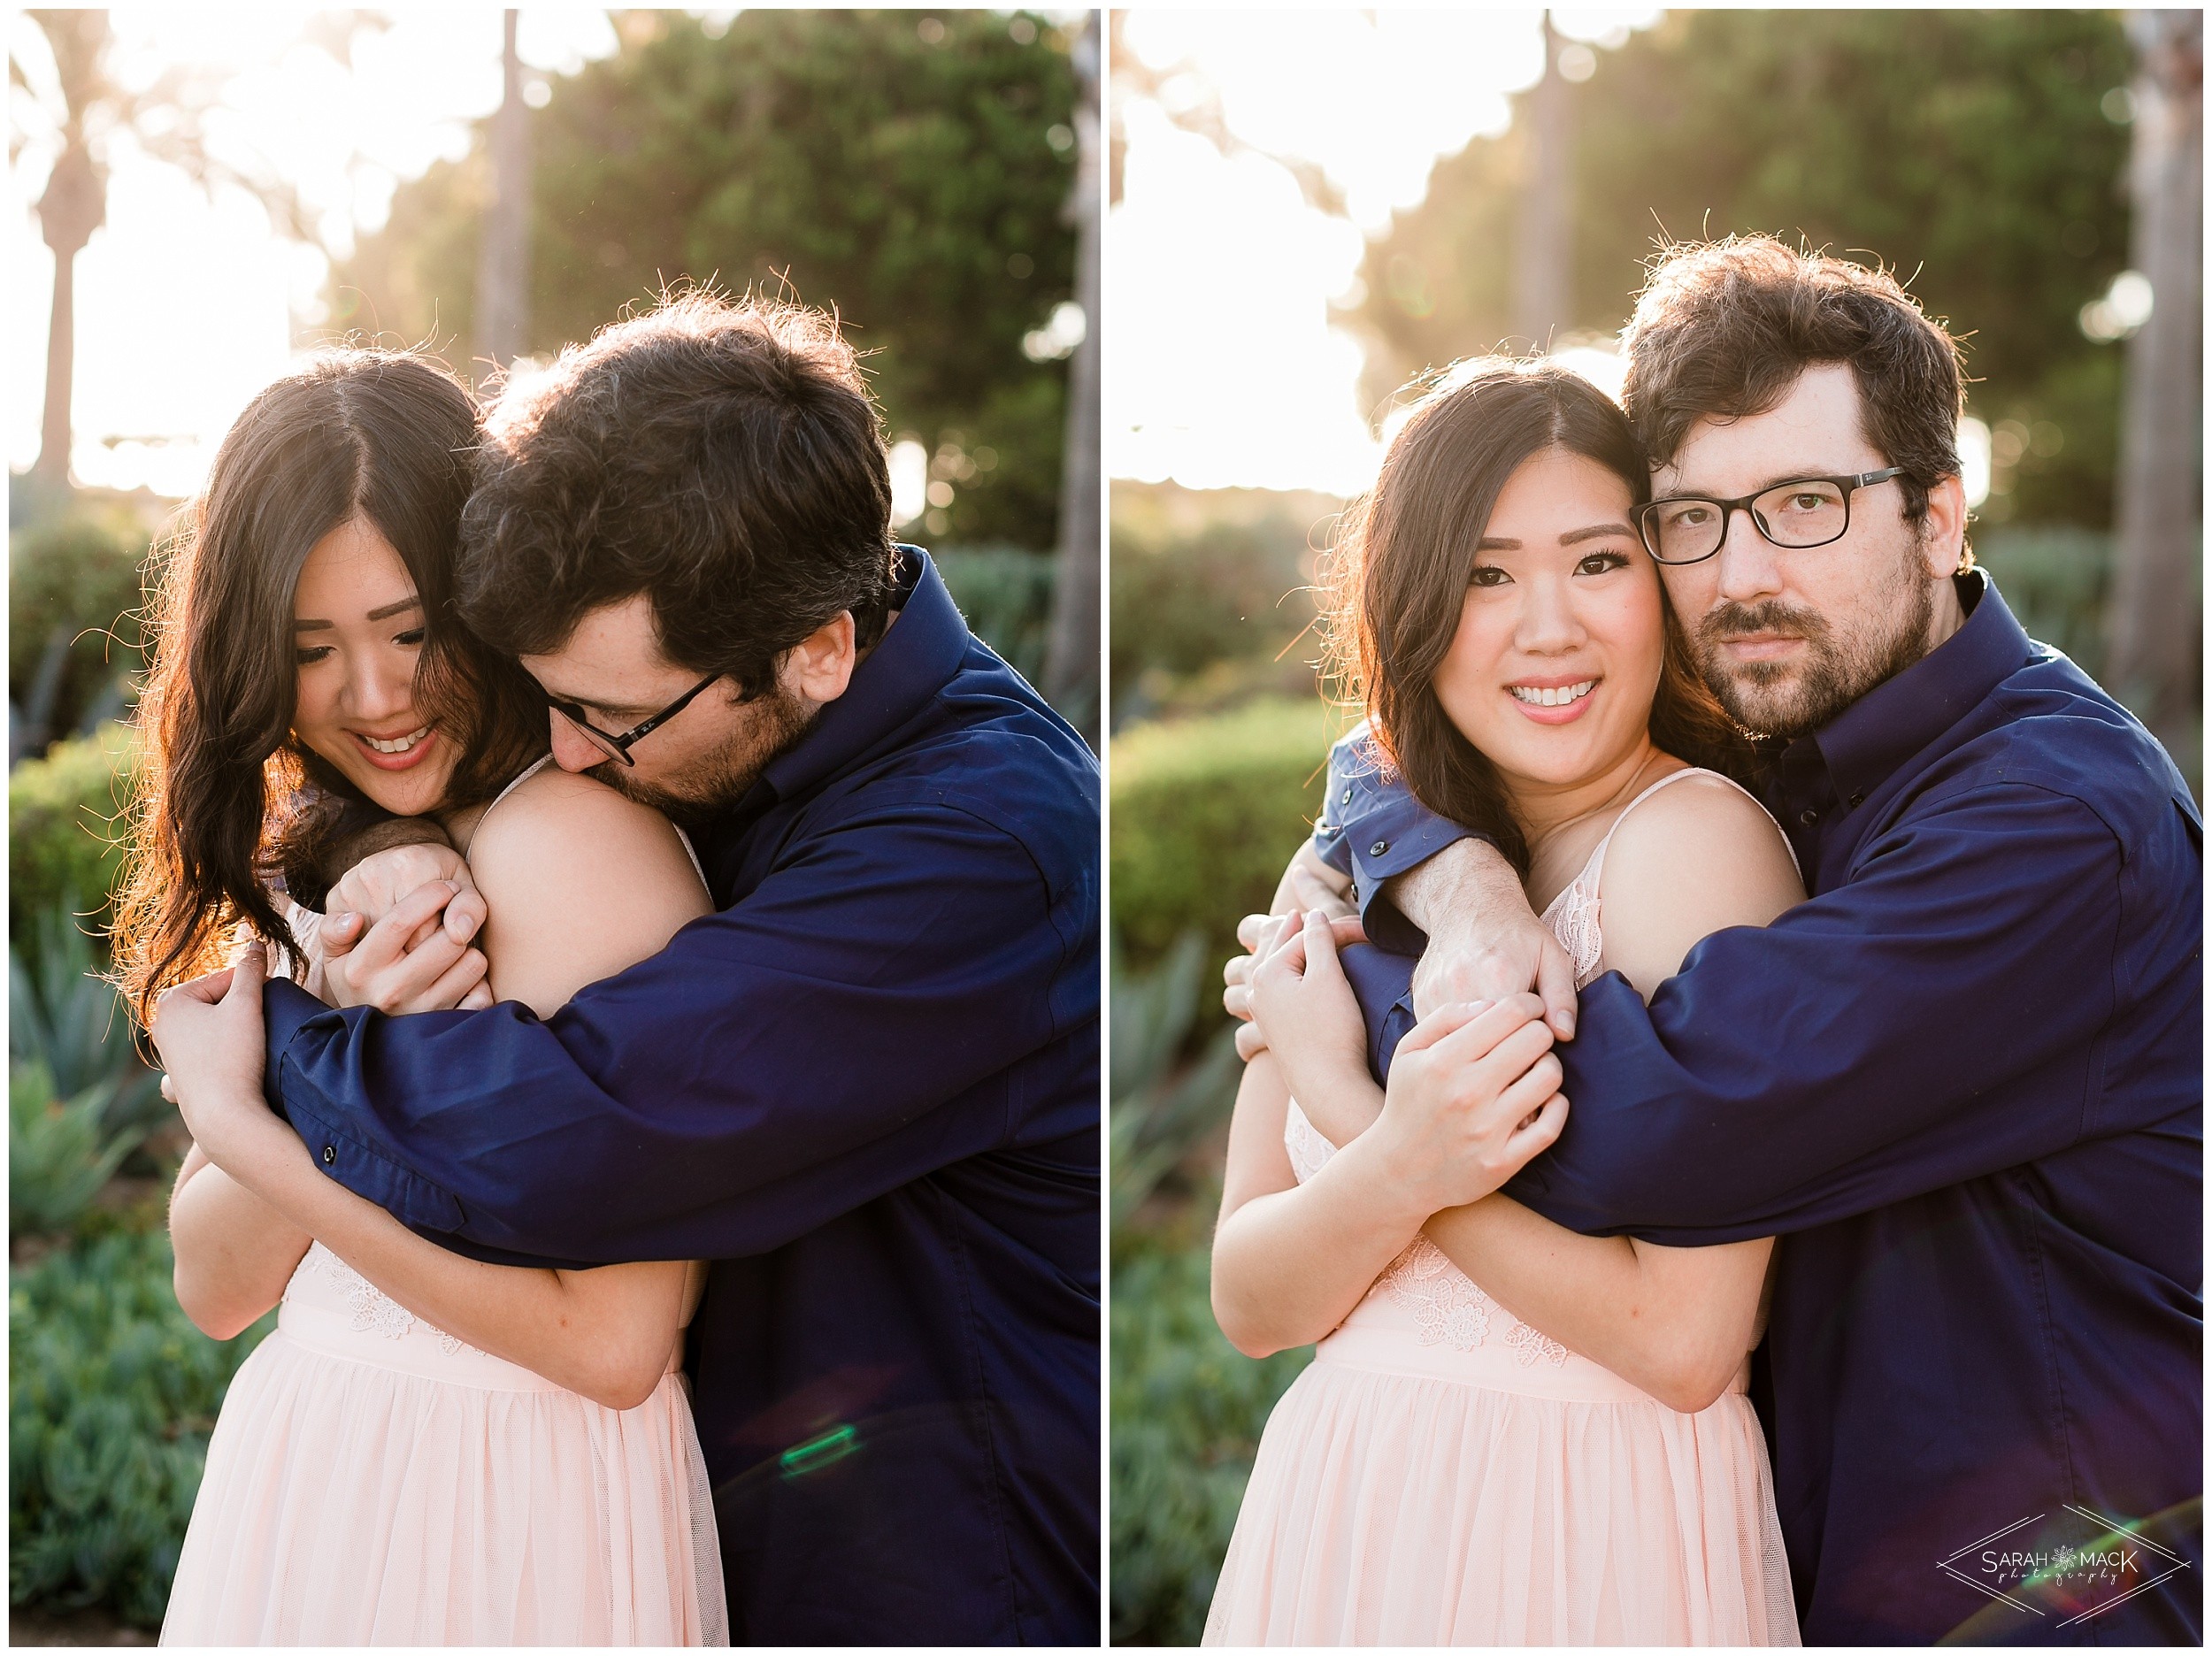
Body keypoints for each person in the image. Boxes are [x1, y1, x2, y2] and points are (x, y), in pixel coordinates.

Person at [1231, 237, 2200, 1644]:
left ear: (1941, 513)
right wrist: (1446, 876)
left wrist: (1342, 1032)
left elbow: (1653, 1118)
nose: (1742, 574)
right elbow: (1412, 740)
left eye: (1806, 502)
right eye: (1694, 517)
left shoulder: (2049, 827)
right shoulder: (1808, 753)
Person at [152, 293, 1102, 1645]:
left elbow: (584, 1132)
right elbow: (218, 1284)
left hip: (938, 1559)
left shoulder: (974, 845)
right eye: (310, 651)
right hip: (422, 1484)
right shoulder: (706, 716)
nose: (579, 748)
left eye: (607, 716)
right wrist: (361, 843)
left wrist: (260, 1076)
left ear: (820, 649)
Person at [119, 351, 727, 1644]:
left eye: (410, 631)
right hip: (314, 1479)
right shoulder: (324, 854)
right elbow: (217, 1288)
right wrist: (342, 1039)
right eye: (312, 650)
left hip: (507, 1519)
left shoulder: (570, 852)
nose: (379, 698)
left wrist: (259, 1120)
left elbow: (618, 1346)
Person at [1202, 359, 1805, 1644]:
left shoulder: (1693, 854)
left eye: (1597, 563)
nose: (1548, 628)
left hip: (1583, 1538)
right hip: (1347, 1520)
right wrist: (1396, 1150)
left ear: (1662, 583)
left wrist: (1357, 1110)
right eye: (1486, 575)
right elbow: (1253, 1303)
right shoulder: (1355, 865)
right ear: (1415, 606)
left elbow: (1689, 1340)